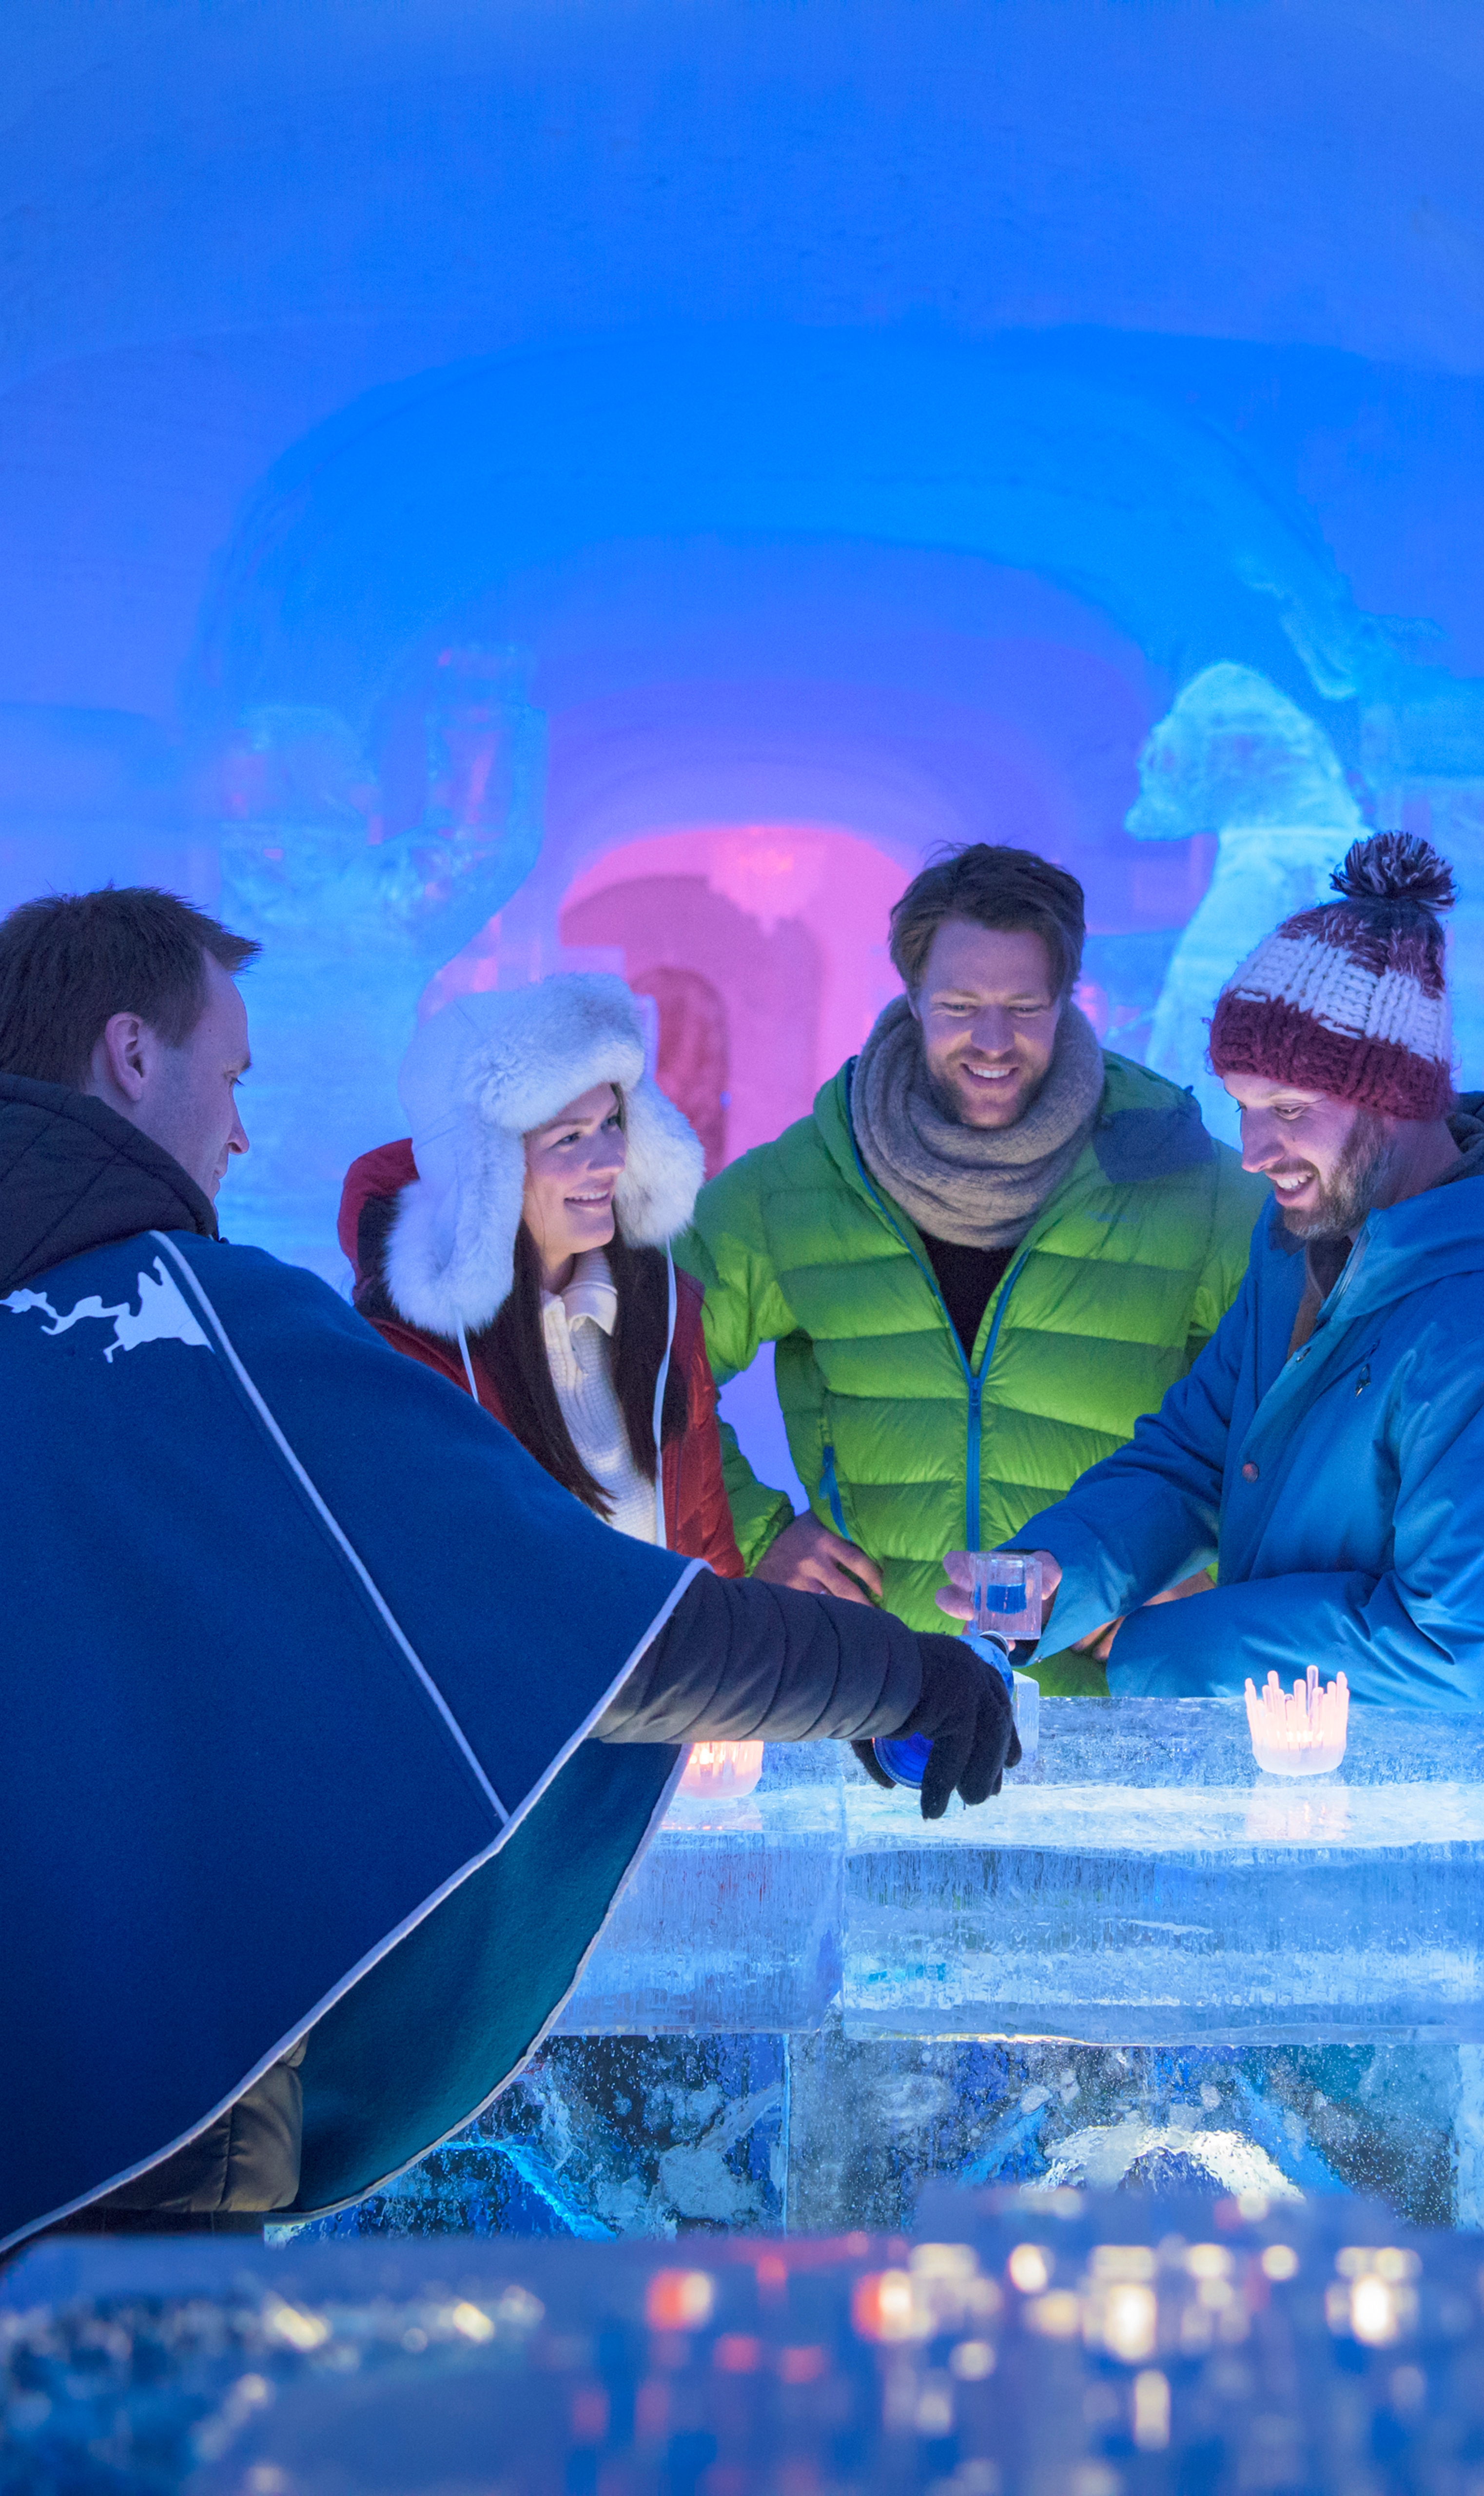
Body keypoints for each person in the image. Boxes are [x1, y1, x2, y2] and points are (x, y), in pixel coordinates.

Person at [0, 888, 1015, 2254]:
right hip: (137, 2118)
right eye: (230, 1076)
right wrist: (908, 1677)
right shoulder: (192, 1336)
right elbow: (579, 1630)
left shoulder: (656, 1306)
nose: (238, 1130)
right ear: (133, 1057)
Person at [937, 834, 1484, 1709]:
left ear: (1399, 1101)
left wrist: (1164, 1649)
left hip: (1458, 1819)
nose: (1253, 1153)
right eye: (1243, 1106)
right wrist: (1063, 1572)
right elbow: (1195, 1458)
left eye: (1287, 1109)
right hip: (1299, 1770)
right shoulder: (1307, 1244)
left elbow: (1464, 1652)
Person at [681, 843, 1266, 1696]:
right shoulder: (803, 1185)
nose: (993, 1042)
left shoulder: (1182, 1183)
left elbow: (1298, 1395)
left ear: (1067, 1000)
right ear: (912, 997)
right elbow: (639, 1355)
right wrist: (756, 1530)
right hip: (876, 1696)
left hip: (1100, 1717)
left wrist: (1201, 1558)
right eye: (959, 1005)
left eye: (1024, 1007)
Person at [339, 976, 740, 1576]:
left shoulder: (665, 1316)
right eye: (569, 1138)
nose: (611, 1159)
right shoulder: (410, 1361)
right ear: (485, 1178)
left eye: (612, 1122)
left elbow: (709, 1556)